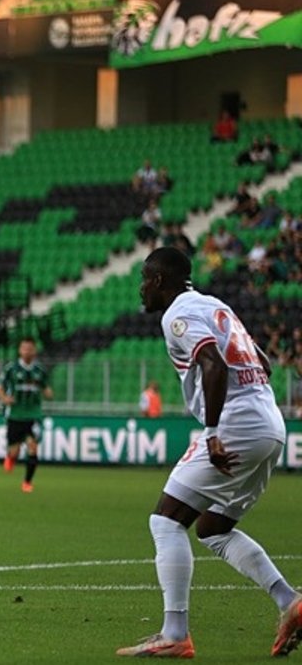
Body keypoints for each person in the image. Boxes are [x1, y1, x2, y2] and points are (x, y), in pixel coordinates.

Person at [118, 247, 302, 658]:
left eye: (145, 280)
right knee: (212, 528)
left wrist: (214, 431)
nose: (141, 289)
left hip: (235, 426)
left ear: (159, 281)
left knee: (166, 521)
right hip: (269, 425)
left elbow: (213, 365)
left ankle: (175, 632)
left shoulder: (177, 315)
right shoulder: (216, 305)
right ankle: (289, 600)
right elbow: (264, 363)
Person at [0, 337, 53, 493]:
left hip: (33, 415)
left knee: (32, 447)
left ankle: (27, 482)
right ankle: (10, 457)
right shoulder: (11, 369)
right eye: (24, 348)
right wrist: (4, 398)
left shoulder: (39, 371)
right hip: (15, 414)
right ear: (20, 350)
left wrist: (48, 393)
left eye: (30, 348)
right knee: (15, 450)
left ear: (34, 351)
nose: (27, 351)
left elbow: (46, 388)